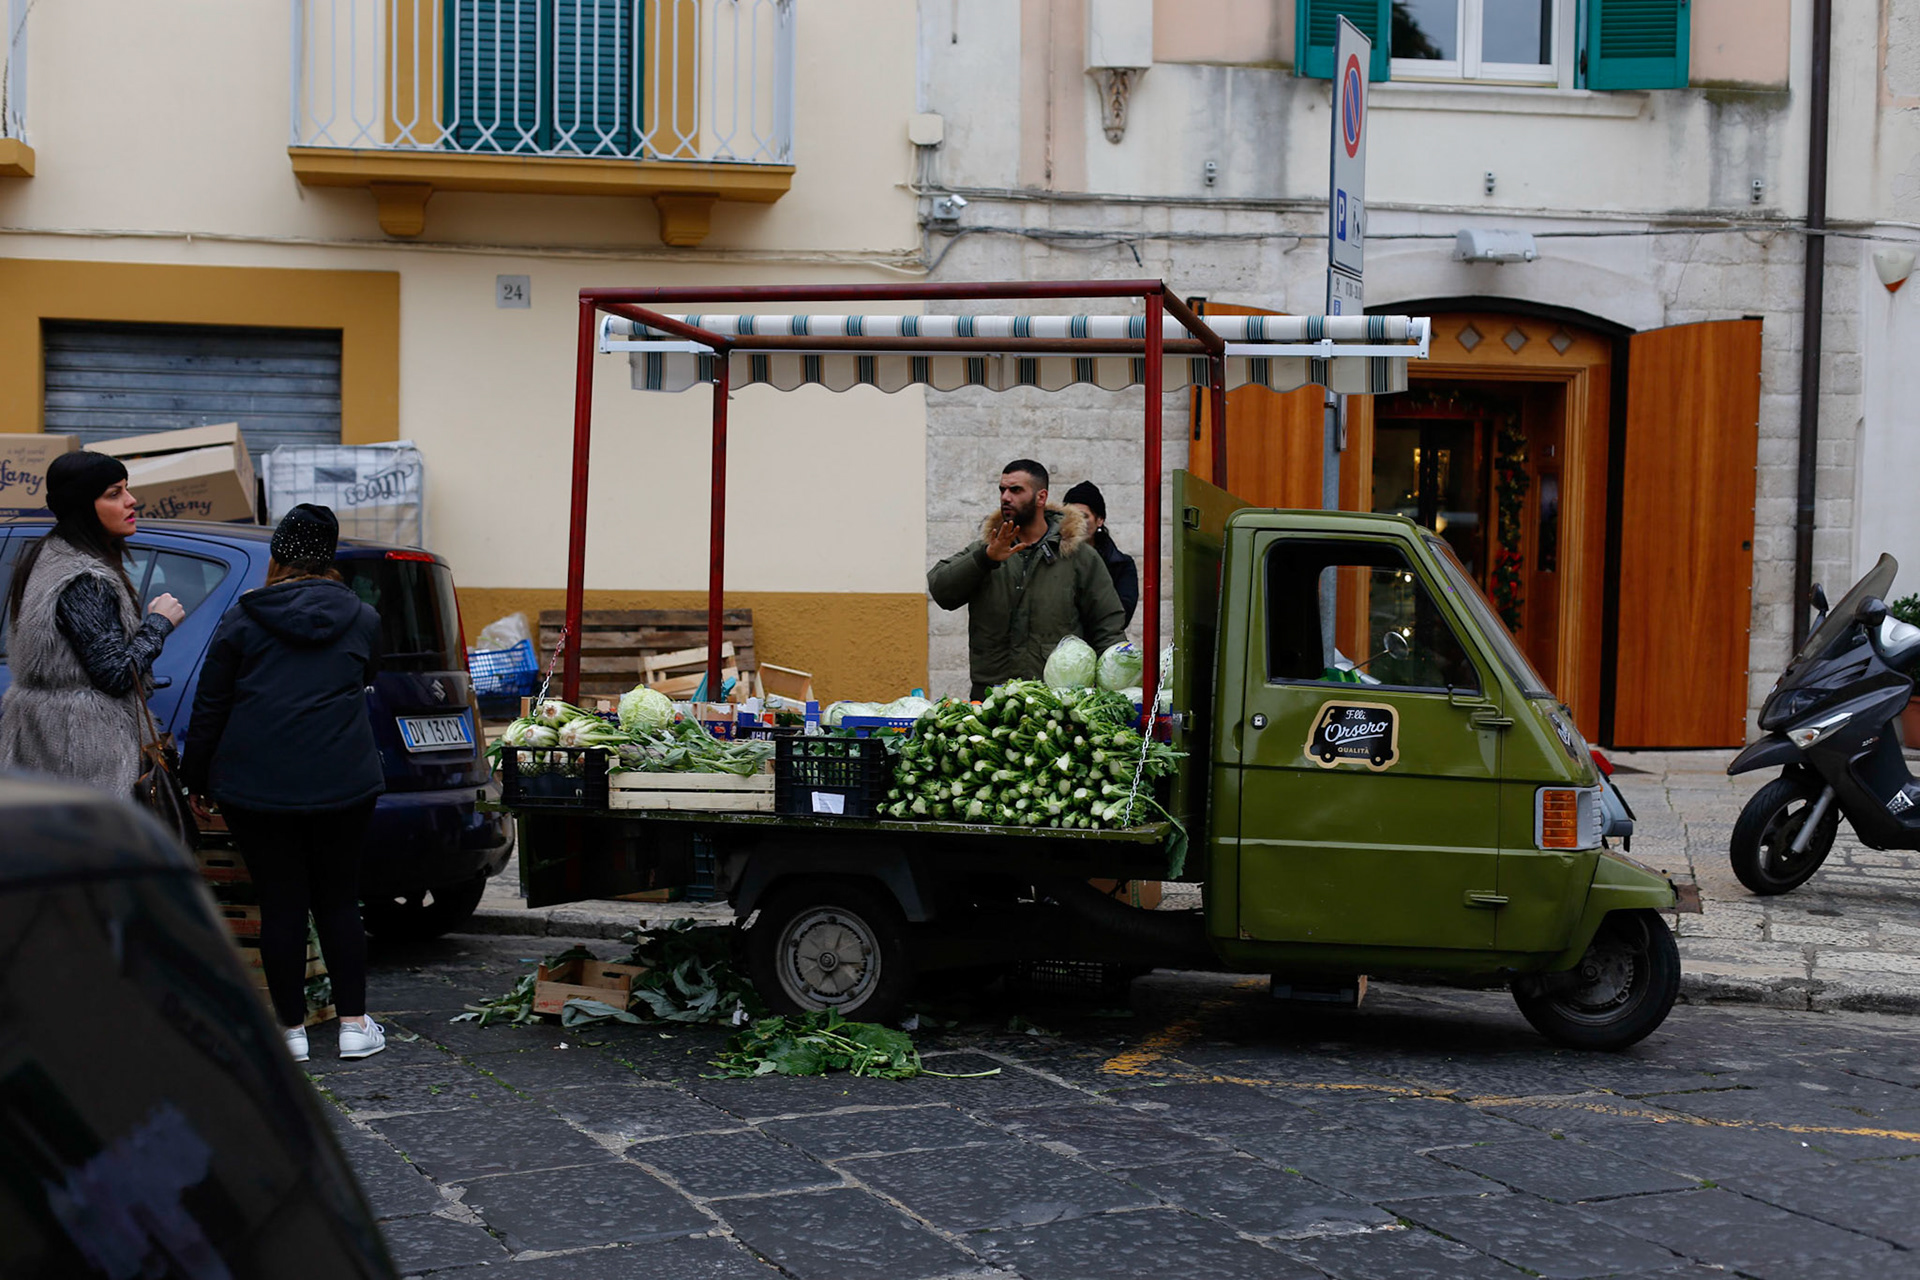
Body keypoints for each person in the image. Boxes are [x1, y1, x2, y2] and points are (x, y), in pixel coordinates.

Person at [182, 504, 387, 1064]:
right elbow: (366, 675)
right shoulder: (363, 618)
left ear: (277, 556)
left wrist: (195, 777)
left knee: (281, 903)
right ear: (331, 557)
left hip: (257, 782)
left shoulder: (243, 618)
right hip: (344, 778)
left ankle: (290, 1032)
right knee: (339, 899)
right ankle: (353, 1026)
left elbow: (212, 703)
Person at [0, 452, 185, 795]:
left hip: (48, 743)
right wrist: (159, 623)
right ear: (83, 506)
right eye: (114, 493)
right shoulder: (83, 578)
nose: (131, 501)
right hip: (84, 752)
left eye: (126, 488)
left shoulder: (49, 556)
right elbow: (116, 675)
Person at [928, 459, 1127, 698]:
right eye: (1002, 490)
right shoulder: (988, 549)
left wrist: (1117, 693)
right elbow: (940, 590)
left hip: (1056, 700)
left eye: (1016, 490)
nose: (1005, 497)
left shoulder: (1079, 556)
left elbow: (1108, 627)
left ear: (1041, 497)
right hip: (992, 698)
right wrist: (985, 559)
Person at [1062, 480, 1139, 630]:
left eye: (1083, 516)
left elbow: (1121, 615)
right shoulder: (1053, 557)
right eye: (1071, 516)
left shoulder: (1120, 565)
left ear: (1099, 520)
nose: (1077, 522)